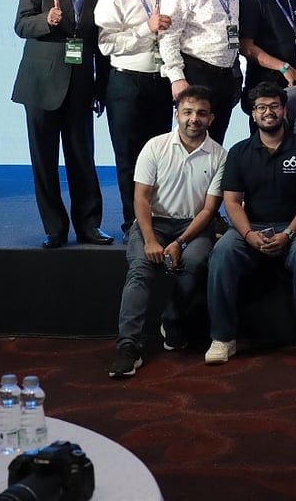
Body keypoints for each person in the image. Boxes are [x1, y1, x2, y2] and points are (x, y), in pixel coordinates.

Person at [205, 83, 296, 365]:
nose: (268, 112)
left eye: (274, 106)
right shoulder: (238, 152)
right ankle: (222, 338)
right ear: (253, 115)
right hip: (253, 226)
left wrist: (288, 233)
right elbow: (233, 202)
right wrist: (248, 234)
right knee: (222, 253)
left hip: (295, 226)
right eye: (261, 107)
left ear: (284, 110)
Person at [108, 86, 226, 378]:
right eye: (187, 112)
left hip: (193, 226)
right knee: (140, 269)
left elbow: (209, 211)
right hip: (154, 223)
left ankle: (172, 319)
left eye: (201, 113)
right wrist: (149, 240)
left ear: (211, 118)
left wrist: (179, 242)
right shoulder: (155, 146)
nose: (193, 119)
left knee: (195, 263)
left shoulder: (220, 156)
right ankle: (128, 347)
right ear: (177, 115)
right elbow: (141, 199)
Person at [13, 0, 112, 248]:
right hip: (40, 86)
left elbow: (102, 45)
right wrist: (47, 21)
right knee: (44, 160)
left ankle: (89, 227)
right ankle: (55, 228)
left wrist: (100, 88)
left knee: (82, 158)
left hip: (82, 86)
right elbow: (21, 25)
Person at [94, 0, 174, 236]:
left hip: (161, 82)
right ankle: (133, 222)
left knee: (159, 156)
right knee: (129, 156)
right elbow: (106, 45)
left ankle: (157, 218)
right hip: (126, 82)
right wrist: (146, 29)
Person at [159, 0, 240, 144]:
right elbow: (168, 35)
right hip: (196, 73)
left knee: (216, 142)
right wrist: (176, 77)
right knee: (192, 140)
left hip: (225, 75)